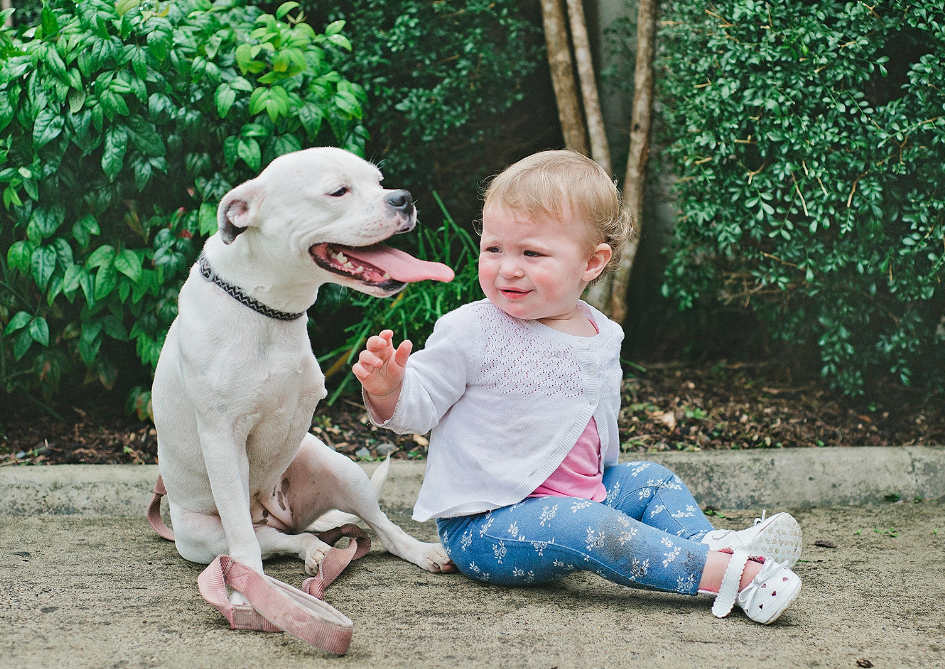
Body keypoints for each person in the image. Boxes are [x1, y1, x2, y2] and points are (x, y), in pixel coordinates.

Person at [353, 150, 803, 624]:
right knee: (595, 527)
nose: (508, 268)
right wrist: (389, 388)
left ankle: (710, 544)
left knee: (653, 480)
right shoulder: (473, 329)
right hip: (489, 524)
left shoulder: (603, 334)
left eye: (531, 253)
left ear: (591, 262)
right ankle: (730, 575)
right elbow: (420, 404)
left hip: (585, 495)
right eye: (494, 249)